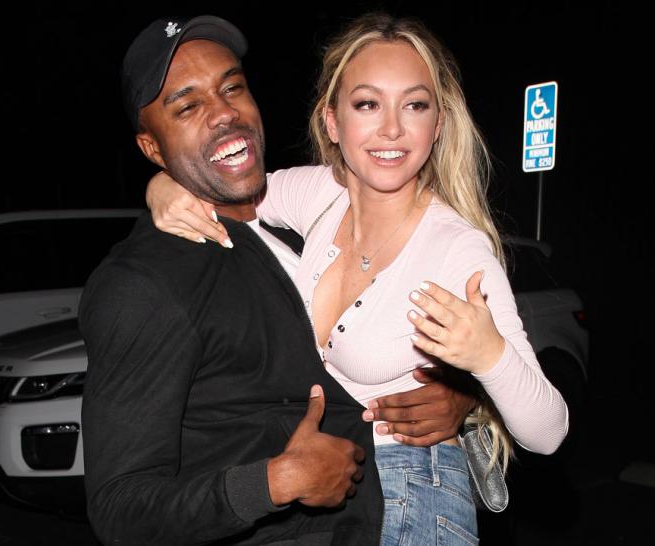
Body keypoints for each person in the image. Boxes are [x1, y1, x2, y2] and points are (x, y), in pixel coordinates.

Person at [147, 13, 569, 544]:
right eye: (368, 104)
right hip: (329, 492)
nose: (391, 129)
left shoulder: (455, 248)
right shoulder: (321, 194)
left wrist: (487, 356)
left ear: (438, 125)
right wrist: (163, 184)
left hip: (416, 491)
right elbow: (225, 187)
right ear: (332, 122)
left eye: (414, 105)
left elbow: (549, 431)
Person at [80, 15, 474, 545]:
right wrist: (272, 483)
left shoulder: (311, 226)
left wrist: (461, 395)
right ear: (152, 148)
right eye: (187, 106)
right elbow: (119, 508)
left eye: (232, 88)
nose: (224, 112)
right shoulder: (145, 282)